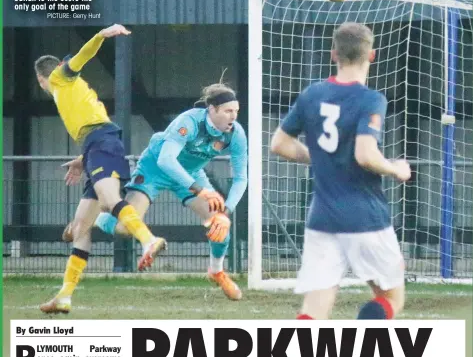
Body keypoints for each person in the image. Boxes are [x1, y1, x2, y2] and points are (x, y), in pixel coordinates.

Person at [270, 22, 411, 320]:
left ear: (334, 54)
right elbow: (365, 154)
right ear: (372, 55)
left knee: (314, 309)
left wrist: (322, 158)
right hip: (365, 216)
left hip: (322, 218)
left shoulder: (312, 94)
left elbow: (279, 144)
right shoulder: (371, 99)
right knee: (391, 297)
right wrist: (395, 169)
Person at [35, 24, 166, 315]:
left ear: (40, 79)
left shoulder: (59, 78)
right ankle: (65, 296)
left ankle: (149, 240)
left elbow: (80, 57)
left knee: (108, 201)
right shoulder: (67, 93)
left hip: (102, 142)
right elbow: (89, 121)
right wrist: (83, 159)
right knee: (80, 227)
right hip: (95, 147)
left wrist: (100, 35)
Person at [83, 82, 248, 300]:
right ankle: (97, 217)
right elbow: (166, 160)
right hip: (155, 169)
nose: (233, 116)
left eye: (236, 111)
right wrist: (200, 190)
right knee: (124, 228)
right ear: (212, 109)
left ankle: (216, 271)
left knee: (219, 223)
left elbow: (241, 178)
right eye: (228, 111)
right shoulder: (188, 122)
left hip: (190, 175)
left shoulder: (235, 134)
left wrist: (226, 213)